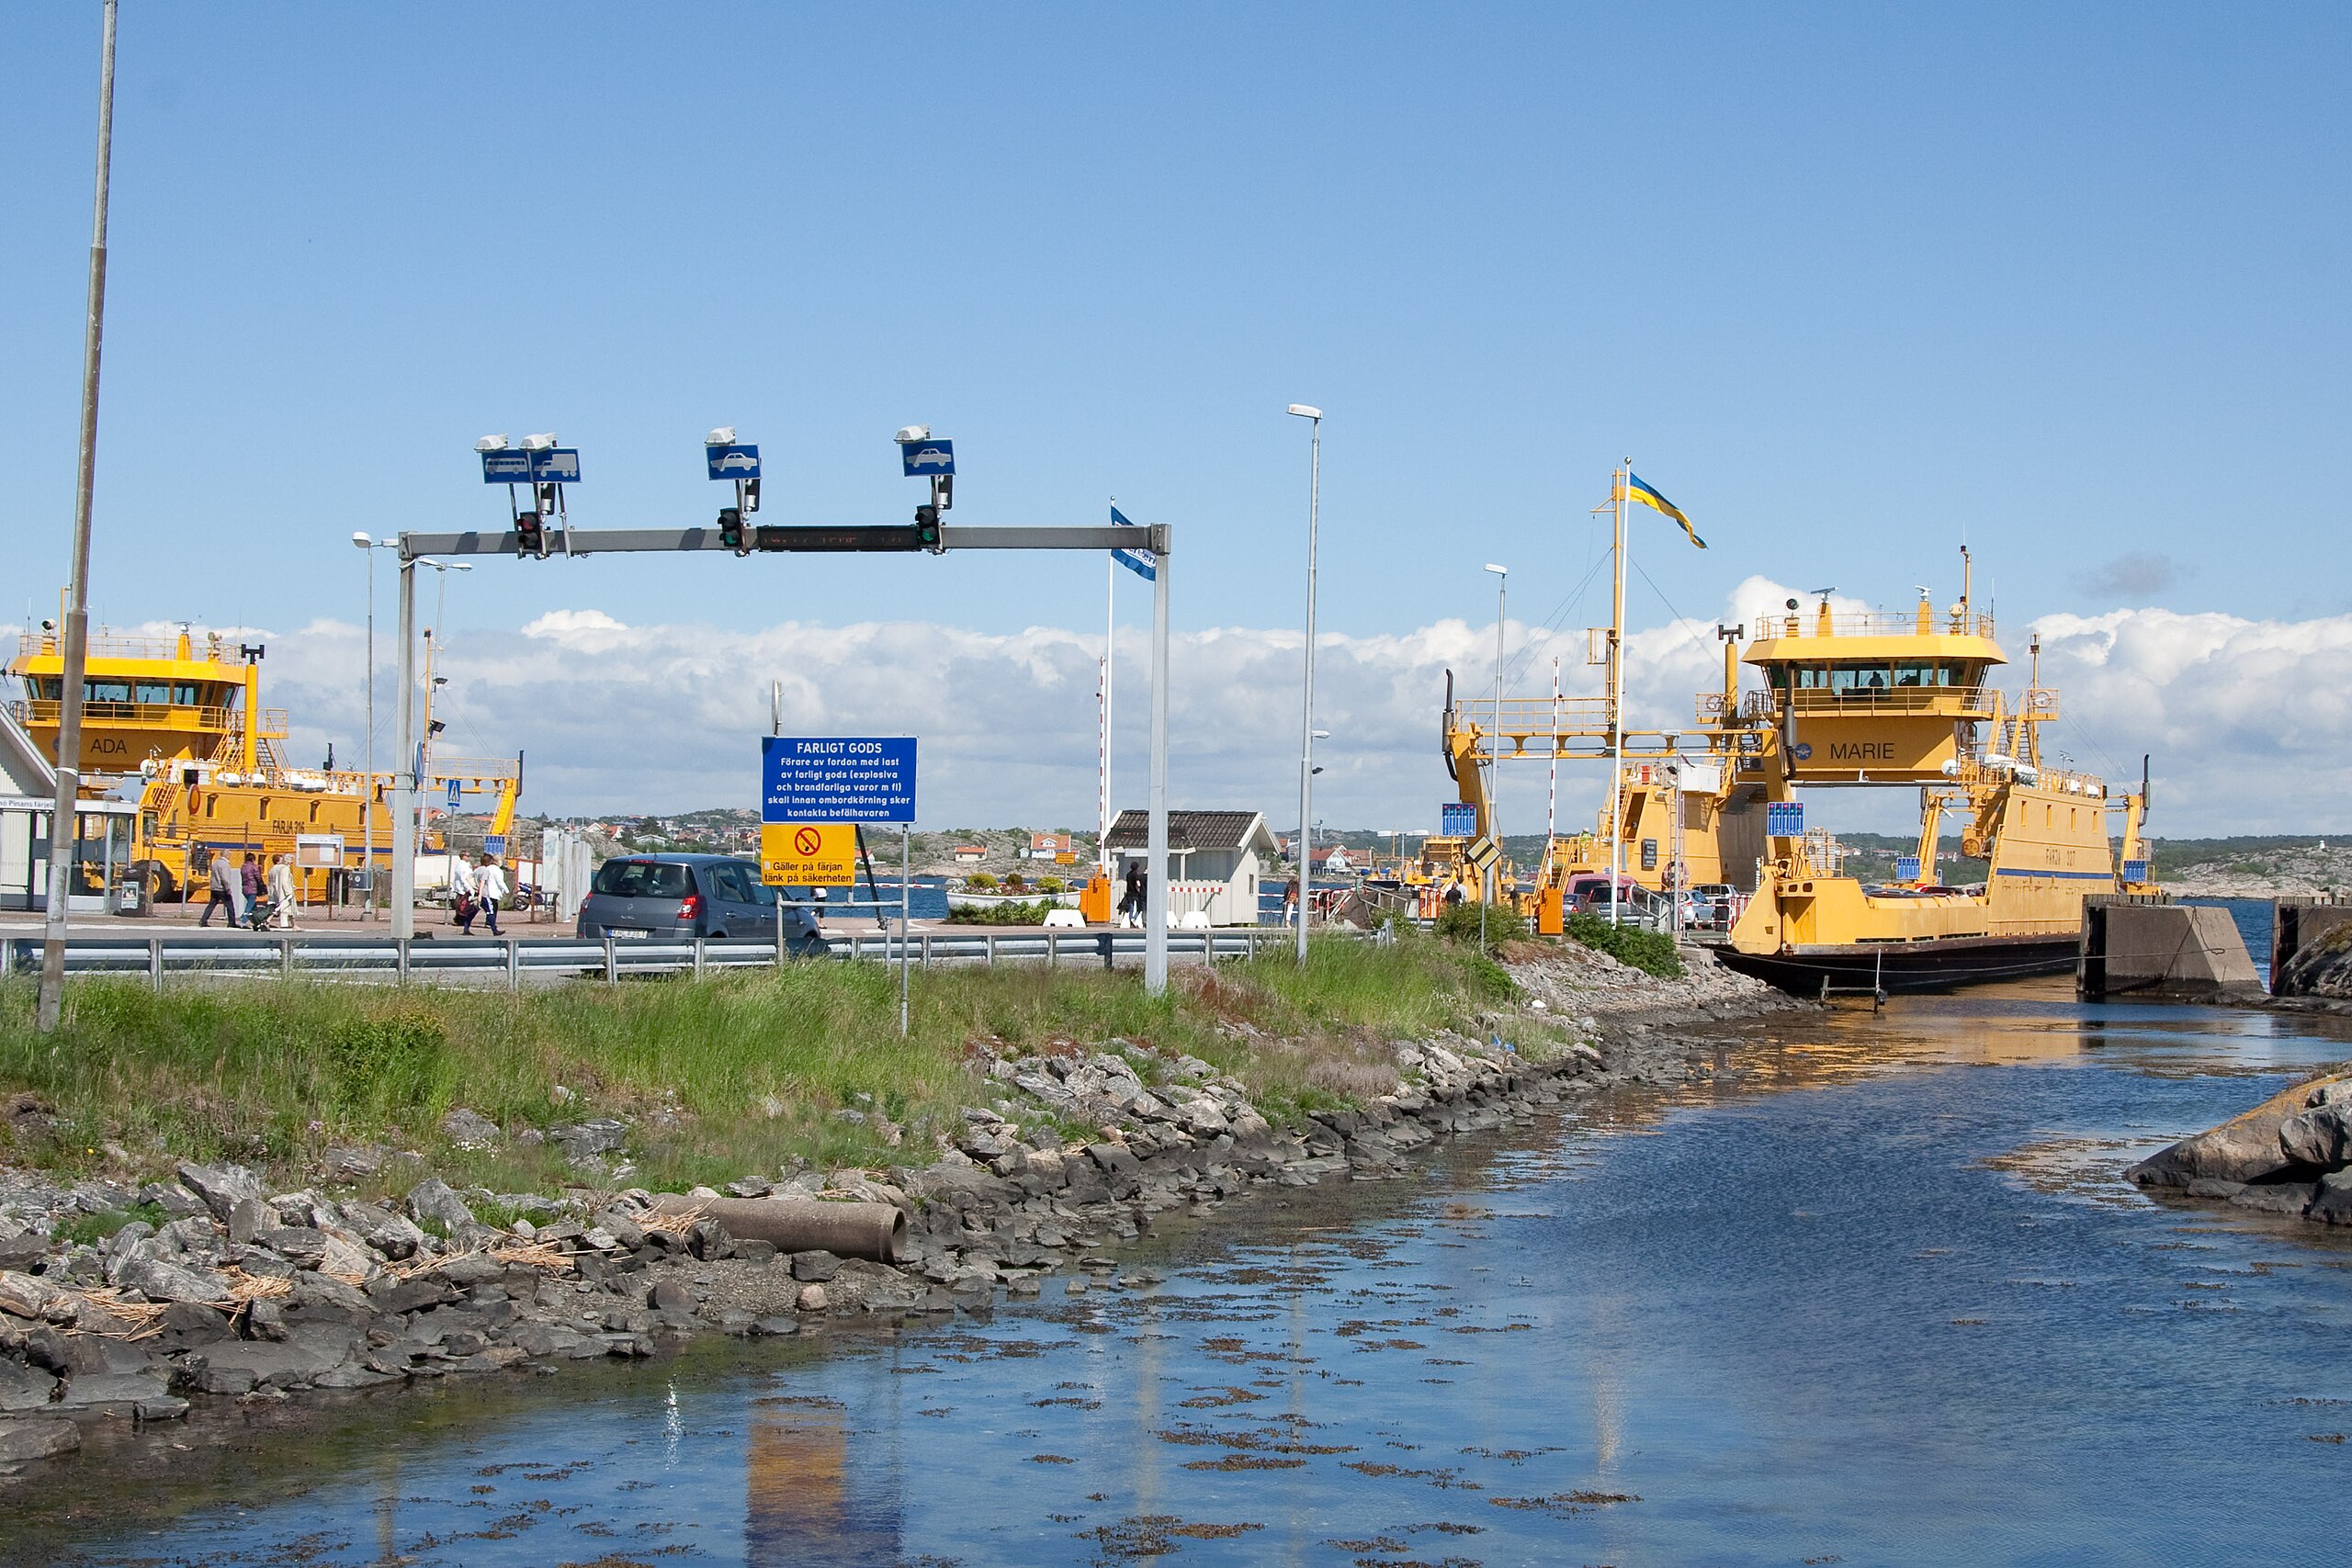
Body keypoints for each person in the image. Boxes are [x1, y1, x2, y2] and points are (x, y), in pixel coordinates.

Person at [198, 852, 240, 928]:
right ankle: (231, 922)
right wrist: (228, 888)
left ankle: (203, 920)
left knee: (211, 905)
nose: (229, 856)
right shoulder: (225, 865)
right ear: (226, 855)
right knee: (230, 906)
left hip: (214, 887)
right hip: (222, 888)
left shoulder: (215, 863)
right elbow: (225, 878)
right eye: (229, 855)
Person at [473, 853, 507, 936]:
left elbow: (470, 877)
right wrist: (506, 890)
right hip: (488, 893)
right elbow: (497, 881)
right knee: (491, 911)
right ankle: (493, 928)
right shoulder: (493, 870)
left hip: (485, 893)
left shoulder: (483, 869)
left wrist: (475, 887)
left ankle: (466, 927)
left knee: (475, 911)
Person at [448, 852, 479, 931]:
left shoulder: (466, 864)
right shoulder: (462, 865)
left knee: (464, 905)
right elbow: (463, 878)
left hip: (465, 888)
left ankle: (460, 919)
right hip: (463, 888)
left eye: (469, 856)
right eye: (467, 856)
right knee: (463, 905)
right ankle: (460, 920)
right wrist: (468, 888)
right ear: (462, 856)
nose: (469, 857)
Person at [267, 853, 298, 930]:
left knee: (278, 908)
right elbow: (284, 882)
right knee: (286, 908)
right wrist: (289, 892)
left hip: (274, 891)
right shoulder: (285, 868)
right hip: (284, 892)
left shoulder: (272, 869)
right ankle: (286, 924)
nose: (292, 862)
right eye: (291, 860)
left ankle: (294, 925)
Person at [1117, 861, 1145, 927]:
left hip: (1129, 893)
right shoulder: (1136, 875)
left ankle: (1131, 919)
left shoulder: (1128, 874)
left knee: (1131, 906)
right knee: (1139, 908)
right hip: (1135, 893)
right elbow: (1138, 884)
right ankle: (1134, 918)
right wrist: (1139, 890)